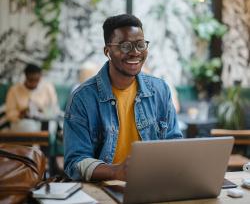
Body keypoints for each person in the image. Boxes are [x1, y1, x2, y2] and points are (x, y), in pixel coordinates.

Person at [64, 14, 183, 182]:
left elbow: (174, 144)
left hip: (153, 183)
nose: (135, 52)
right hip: (104, 188)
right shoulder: (82, 98)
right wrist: (115, 172)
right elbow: (75, 162)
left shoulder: (160, 90)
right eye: (125, 46)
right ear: (108, 51)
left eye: (140, 45)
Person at [6, 63, 59, 132]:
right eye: (31, 80)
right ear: (25, 77)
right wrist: (21, 113)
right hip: (23, 122)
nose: (34, 83)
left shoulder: (48, 87)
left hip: (43, 120)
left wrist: (43, 110)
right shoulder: (14, 90)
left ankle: (42, 140)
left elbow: (54, 108)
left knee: (51, 125)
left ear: (40, 77)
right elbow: (10, 114)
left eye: (37, 80)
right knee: (29, 127)